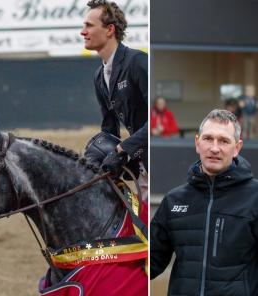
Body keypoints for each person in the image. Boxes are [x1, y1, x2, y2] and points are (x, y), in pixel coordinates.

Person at [151, 109, 258, 295]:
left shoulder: (254, 197)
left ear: (237, 148)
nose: (214, 148)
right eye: (208, 139)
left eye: (224, 141)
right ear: (197, 143)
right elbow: (149, 264)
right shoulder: (173, 200)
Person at [80, 0, 148, 201]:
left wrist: (124, 149)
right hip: (141, 168)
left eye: (89, 26)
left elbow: (154, 122)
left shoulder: (137, 62)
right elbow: (109, 129)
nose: (82, 32)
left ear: (110, 30)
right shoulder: (99, 76)